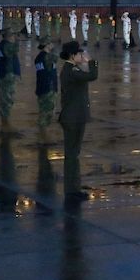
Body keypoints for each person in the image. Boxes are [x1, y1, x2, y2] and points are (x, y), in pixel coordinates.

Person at [59, 41, 99, 203]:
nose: (82, 56)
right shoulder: (71, 71)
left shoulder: (72, 69)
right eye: (79, 54)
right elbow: (92, 76)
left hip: (75, 116)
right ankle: (71, 190)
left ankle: (73, 188)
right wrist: (91, 62)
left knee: (74, 155)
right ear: (72, 55)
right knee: (71, 156)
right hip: (73, 118)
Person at [0, 29, 21, 133]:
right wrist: (17, 41)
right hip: (7, 76)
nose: (14, 37)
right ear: (9, 36)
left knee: (6, 99)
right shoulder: (6, 45)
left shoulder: (2, 45)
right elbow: (14, 50)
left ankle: (5, 123)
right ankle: (5, 125)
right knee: (7, 99)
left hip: (5, 75)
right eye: (13, 35)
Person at [34, 40, 59, 135]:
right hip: (48, 88)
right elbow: (56, 58)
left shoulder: (39, 57)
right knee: (47, 112)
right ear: (47, 45)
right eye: (50, 43)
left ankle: (43, 134)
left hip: (43, 87)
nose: (53, 45)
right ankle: (43, 135)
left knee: (45, 111)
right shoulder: (46, 57)